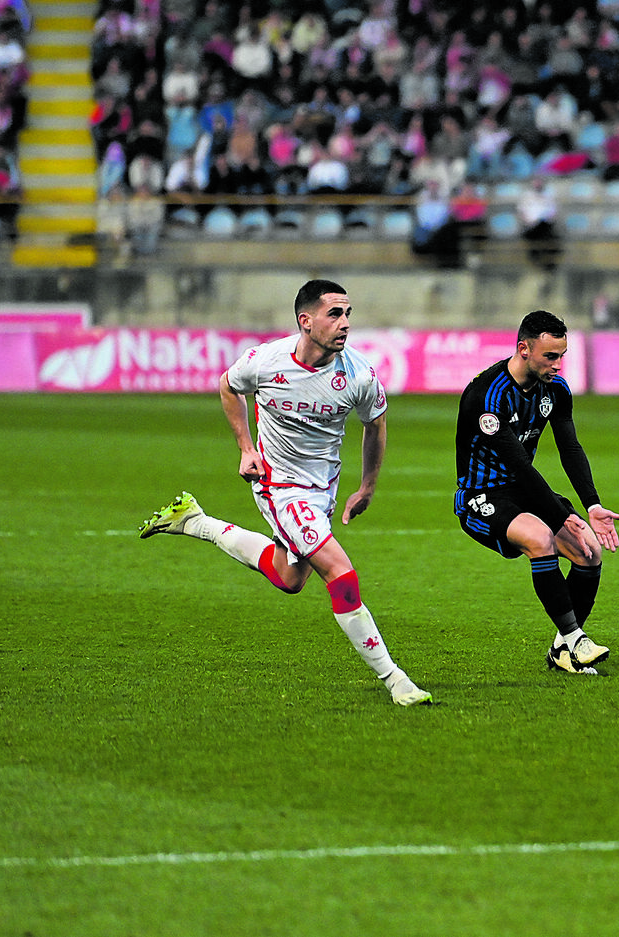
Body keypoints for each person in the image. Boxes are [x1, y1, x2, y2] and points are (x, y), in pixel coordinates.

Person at [139, 279, 433, 706]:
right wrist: (245, 447)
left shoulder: (359, 375)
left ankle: (196, 523)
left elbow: (376, 423)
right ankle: (395, 680)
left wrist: (368, 484)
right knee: (340, 572)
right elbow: (228, 386)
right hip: (278, 485)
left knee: (290, 579)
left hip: (322, 489)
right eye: (335, 314)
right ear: (306, 320)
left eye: (349, 313)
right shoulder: (265, 361)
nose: (345, 323)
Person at [454, 310, 619, 674]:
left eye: (562, 355)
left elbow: (570, 448)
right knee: (540, 538)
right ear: (524, 349)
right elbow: (519, 465)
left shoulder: (556, 391)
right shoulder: (487, 395)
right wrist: (564, 515)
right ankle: (576, 639)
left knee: (589, 551)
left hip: (523, 489)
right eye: (550, 356)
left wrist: (591, 506)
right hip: (481, 496)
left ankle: (562, 650)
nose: (558, 365)